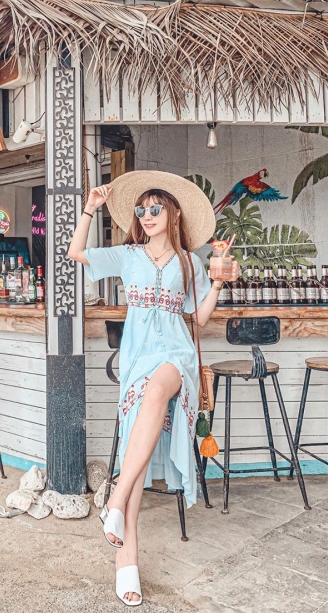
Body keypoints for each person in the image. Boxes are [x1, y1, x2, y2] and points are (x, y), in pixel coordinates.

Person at [68, 170, 238, 607]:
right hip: (137, 359)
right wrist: (90, 208)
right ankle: (127, 560)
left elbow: (199, 318)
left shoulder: (190, 262)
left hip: (176, 357)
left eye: (155, 208)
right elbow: (76, 252)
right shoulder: (128, 255)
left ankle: (115, 497)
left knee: (159, 389)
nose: (146, 215)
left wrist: (218, 283)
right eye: (141, 209)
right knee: (135, 448)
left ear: (173, 213)